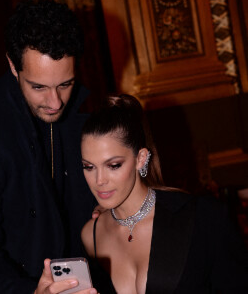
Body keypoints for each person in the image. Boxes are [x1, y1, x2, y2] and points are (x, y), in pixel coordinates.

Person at [0, 0, 98, 294]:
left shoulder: (85, 112)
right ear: (12, 66)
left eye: (65, 84)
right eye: (39, 87)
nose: (55, 102)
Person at [80, 94, 248, 293]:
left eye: (114, 165)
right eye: (89, 167)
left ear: (141, 158)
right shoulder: (91, 235)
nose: (99, 181)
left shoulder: (203, 217)